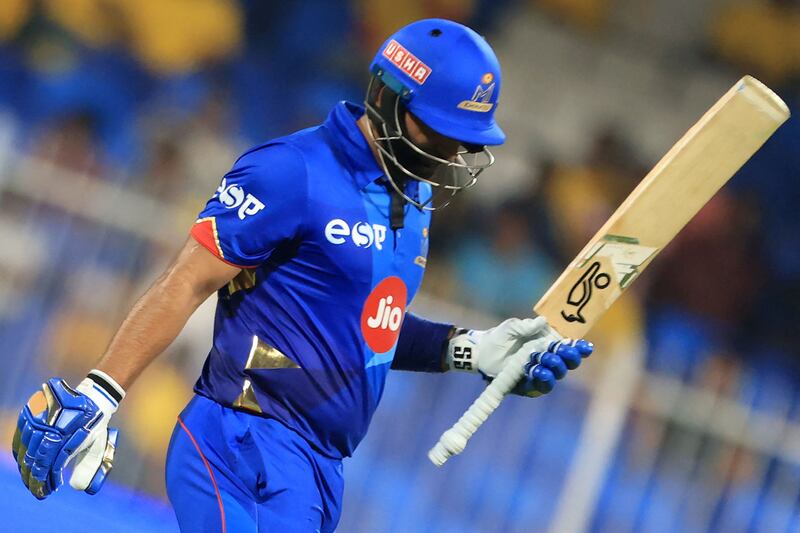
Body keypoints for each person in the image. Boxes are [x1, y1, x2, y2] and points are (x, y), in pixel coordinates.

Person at [11, 19, 593, 532]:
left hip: (317, 475)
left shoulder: (410, 202)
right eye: (436, 130)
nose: (448, 152)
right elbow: (186, 280)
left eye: (460, 141)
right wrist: (102, 390)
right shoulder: (293, 170)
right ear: (388, 99)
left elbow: (367, 327)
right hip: (238, 443)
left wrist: (471, 350)